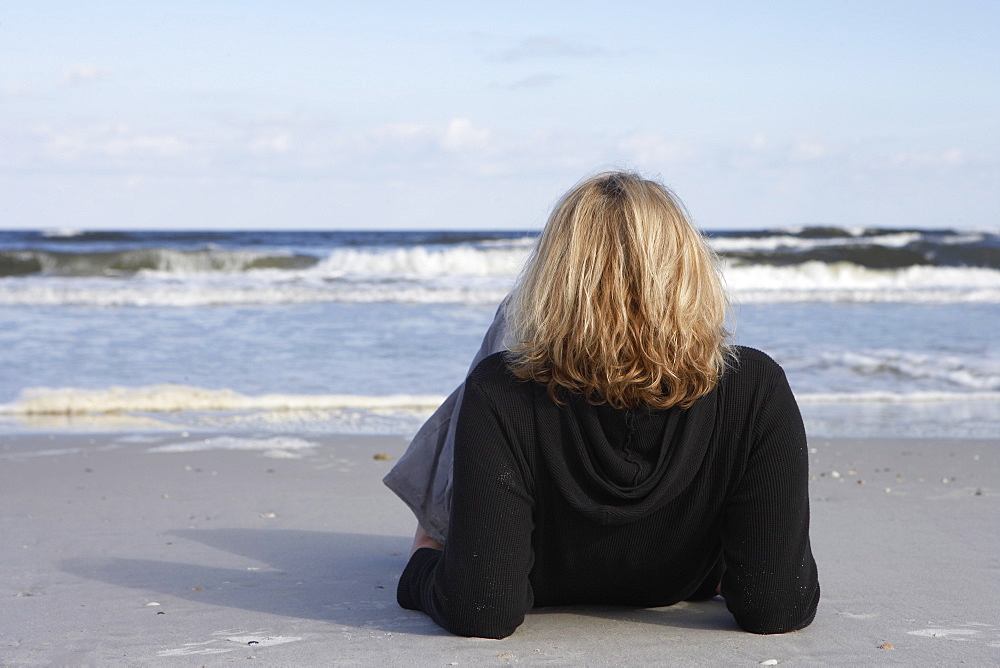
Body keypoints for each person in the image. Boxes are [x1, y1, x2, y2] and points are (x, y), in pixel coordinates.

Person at [385, 171, 820, 639]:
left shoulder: (501, 387)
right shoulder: (755, 386)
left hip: (535, 575)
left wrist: (422, 566)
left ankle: (434, 525)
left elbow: (483, 607)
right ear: (691, 268)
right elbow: (778, 605)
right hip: (681, 577)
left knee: (509, 342)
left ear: (552, 274)